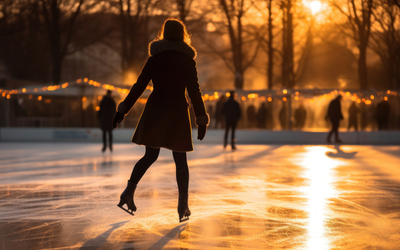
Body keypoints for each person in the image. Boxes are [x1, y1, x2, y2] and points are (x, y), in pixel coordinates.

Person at [112, 18, 209, 222]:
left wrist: (123, 110)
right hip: (177, 112)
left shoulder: (154, 59)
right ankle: (182, 205)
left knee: (149, 156)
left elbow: (139, 86)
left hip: (156, 110)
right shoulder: (187, 61)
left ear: (164, 34)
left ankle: (128, 192)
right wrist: (201, 119)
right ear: (183, 35)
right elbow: (194, 91)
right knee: (180, 160)